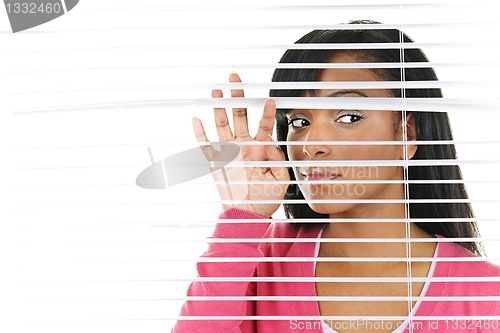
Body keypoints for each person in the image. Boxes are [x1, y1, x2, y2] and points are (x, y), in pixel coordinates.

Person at [172, 20, 500, 333]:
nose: (312, 145)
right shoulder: (255, 260)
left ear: (406, 133)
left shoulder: (486, 297)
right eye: (299, 121)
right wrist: (241, 217)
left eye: (348, 116)